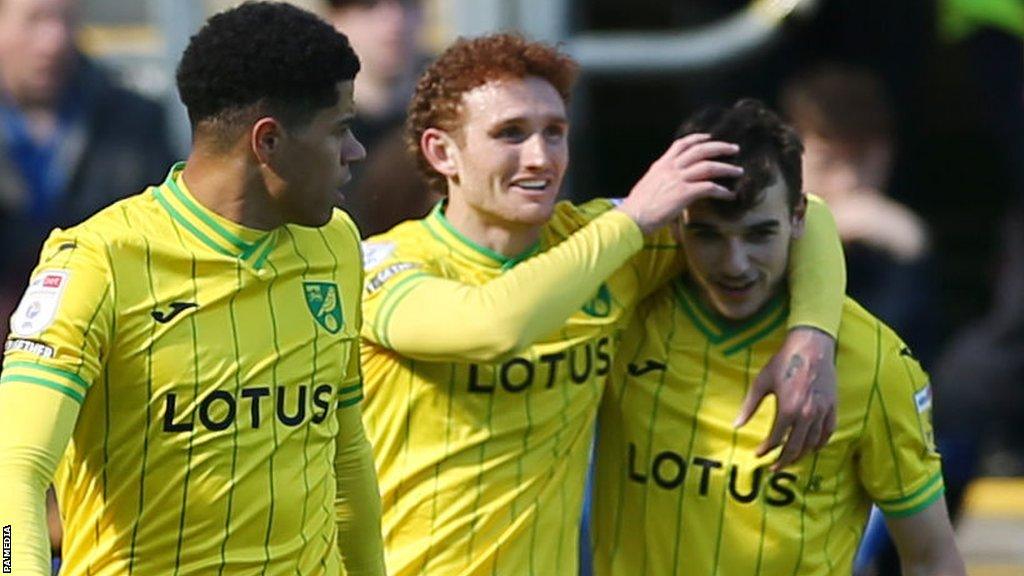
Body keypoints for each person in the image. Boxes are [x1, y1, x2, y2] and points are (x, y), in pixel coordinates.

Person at [359, 34, 846, 576]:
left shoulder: (604, 245)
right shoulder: (384, 265)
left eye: (555, 133)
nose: (540, 158)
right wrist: (634, 220)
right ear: (441, 151)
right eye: (510, 134)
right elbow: (491, 327)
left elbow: (808, 215)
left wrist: (811, 337)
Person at [0, 3, 384, 575]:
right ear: (268, 142)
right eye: (340, 129)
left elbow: (345, 456)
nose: (356, 151)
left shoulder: (334, 245)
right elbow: (17, 470)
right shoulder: (99, 264)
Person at [590, 99, 965, 576]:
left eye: (759, 234)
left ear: (798, 217)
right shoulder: (624, 319)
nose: (735, 264)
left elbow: (931, 557)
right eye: (709, 235)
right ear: (676, 222)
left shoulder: (872, 360)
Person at [0, 0, 176, 342]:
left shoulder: (134, 120)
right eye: (35, 20)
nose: (54, 40)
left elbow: (163, 243)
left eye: (66, 21)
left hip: (107, 343)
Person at [781, 64, 940, 365]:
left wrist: (913, 255)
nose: (848, 182)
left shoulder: (897, 242)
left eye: (862, 159)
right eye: (827, 162)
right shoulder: (752, 240)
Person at [322, 0, 435, 236]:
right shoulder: (309, 122)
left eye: (407, 5)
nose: (394, 22)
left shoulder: (452, 112)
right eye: (369, 6)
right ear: (336, 19)